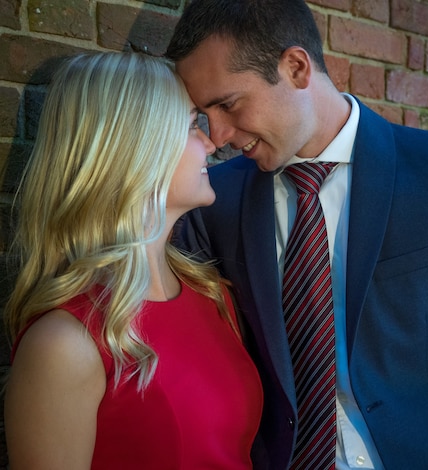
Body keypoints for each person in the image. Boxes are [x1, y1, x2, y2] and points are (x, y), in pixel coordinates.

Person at [165, 1, 428, 469]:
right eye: (204, 113)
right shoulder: (213, 203)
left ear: (296, 68)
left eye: (227, 104)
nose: (220, 135)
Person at [3, 51, 263, 470]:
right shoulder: (64, 345)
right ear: (136, 149)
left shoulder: (212, 294)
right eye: (190, 125)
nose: (212, 142)